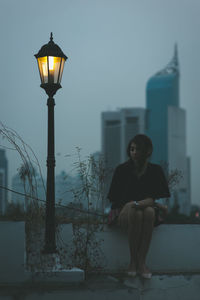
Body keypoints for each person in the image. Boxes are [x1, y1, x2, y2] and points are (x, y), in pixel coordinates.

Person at [107, 134, 170, 279]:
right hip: (123, 213)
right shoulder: (121, 170)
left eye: (138, 149)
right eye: (132, 149)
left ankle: (141, 262)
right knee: (139, 212)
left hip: (146, 212)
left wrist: (133, 204)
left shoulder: (155, 171)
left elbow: (152, 199)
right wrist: (130, 206)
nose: (134, 152)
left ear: (148, 151)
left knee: (146, 212)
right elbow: (116, 199)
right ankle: (134, 262)